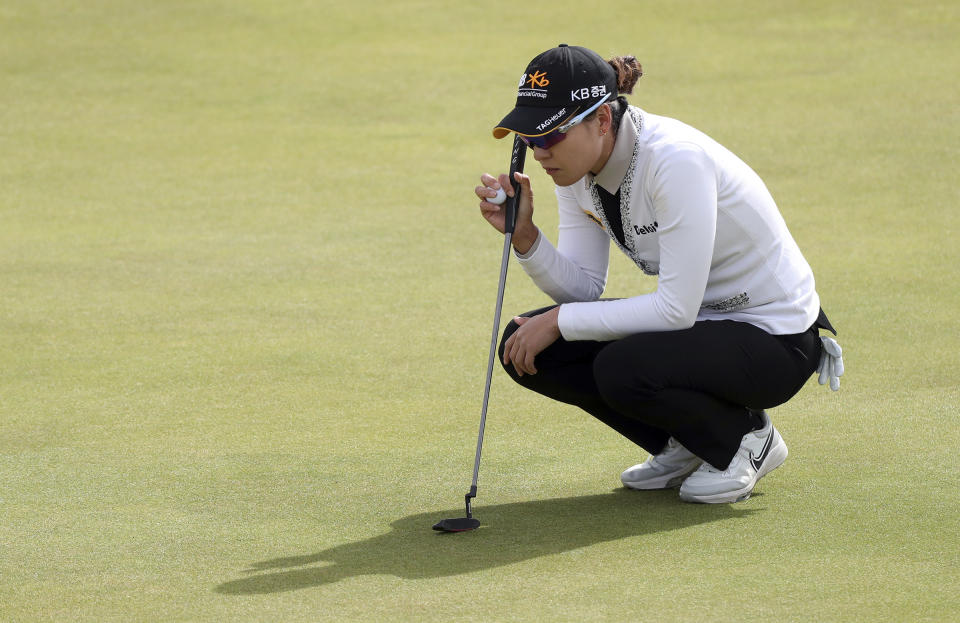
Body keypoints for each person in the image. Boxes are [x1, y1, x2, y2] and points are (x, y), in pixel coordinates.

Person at [474, 44, 843, 504]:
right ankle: (687, 443)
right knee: (526, 345)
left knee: (619, 366)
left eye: (549, 137)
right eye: (529, 141)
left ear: (602, 120)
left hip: (776, 337)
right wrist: (526, 235)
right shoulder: (575, 171)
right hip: (704, 328)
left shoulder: (675, 160)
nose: (539, 153)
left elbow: (674, 309)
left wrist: (558, 320)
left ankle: (743, 440)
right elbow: (584, 290)